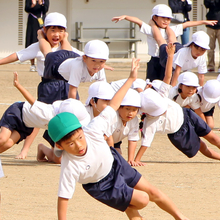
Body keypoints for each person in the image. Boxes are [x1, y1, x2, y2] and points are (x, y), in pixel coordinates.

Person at [48, 59, 189, 220]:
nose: (79, 145)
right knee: (142, 200)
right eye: (70, 144)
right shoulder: (70, 165)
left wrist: (131, 78)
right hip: (102, 185)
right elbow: (63, 198)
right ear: (60, 145)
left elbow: (114, 105)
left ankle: (181, 217)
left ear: (82, 129)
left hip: (116, 163)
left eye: (80, 137)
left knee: (152, 192)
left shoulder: (92, 129)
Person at [133, 43, 220, 165]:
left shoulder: (188, 96)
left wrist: (171, 56)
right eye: (189, 87)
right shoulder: (167, 96)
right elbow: (146, 141)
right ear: (180, 85)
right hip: (177, 130)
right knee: (201, 146)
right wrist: (136, 159)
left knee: (213, 138)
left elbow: (197, 111)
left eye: (194, 88)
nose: (192, 90)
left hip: (186, 115)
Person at [0, 12, 82, 159]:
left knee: (69, 118)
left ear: (65, 32)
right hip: (48, 87)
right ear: (45, 30)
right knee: (39, 115)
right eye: (53, 30)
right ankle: (25, 149)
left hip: (67, 86)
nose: (56, 34)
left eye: (60, 30)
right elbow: (18, 55)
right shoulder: (38, 46)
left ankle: (55, 148)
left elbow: (83, 58)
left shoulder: (67, 48)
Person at [112, 4, 217, 82]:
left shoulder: (172, 29)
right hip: (155, 60)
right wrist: (125, 16)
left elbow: (187, 24)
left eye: (168, 19)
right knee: (151, 83)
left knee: (165, 82)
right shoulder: (150, 29)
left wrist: (204, 22)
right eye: (163, 18)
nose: (166, 21)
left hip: (171, 59)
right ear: (155, 18)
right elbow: (138, 21)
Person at [1, 72, 90, 164]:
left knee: (8, 143)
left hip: (26, 126)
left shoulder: (63, 123)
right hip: (17, 112)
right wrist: (18, 85)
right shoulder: (50, 114)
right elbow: (32, 101)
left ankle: (42, 148)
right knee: (3, 139)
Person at [39, 37, 108, 100]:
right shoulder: (78, 66)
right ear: (84, 58)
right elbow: (72, 90)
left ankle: (64, 39)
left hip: (70, 59)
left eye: (101, 61)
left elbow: (103, 88)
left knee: (67, 50)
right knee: (47, 53)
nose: (97, 65)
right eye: (93, 60)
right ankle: (40, 36)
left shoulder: (99, 69)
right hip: (56, 64)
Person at [110, 89, 141, 166]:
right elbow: (107, 137)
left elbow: (133, 140)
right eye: (127, 109)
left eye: (134, 110)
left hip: (116, 141)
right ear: (119, 107)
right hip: (103, 141)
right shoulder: (113, 116)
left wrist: (131, 160)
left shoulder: (134, 120)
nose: (130, 113)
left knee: (119, 159)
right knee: (112, 159)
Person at [25, 0, 49, 72]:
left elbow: (46, 9)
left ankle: (45, 63)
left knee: (44, 40)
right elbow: (26, 9)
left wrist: (41, 4)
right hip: (32, 21)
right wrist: (32, 5)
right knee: (31, 40)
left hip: (41, 20)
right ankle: (32, 64)